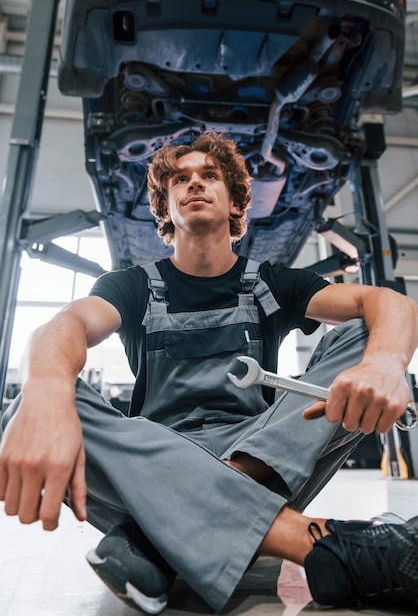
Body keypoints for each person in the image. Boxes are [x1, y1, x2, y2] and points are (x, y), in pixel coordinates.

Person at [0, 132, 418, 614]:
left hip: (262, 455)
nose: (194, 183)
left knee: (371, 332)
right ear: (166, 206)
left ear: (235, 200)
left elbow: (389, 302)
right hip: (153, 456)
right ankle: (324, 547)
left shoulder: (270, 282)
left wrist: (385, 365)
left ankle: (154, 536)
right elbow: (66, 325)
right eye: (181, 179)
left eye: (209, 176)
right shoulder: (132, 287)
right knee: (28, 405)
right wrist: (49, 393)